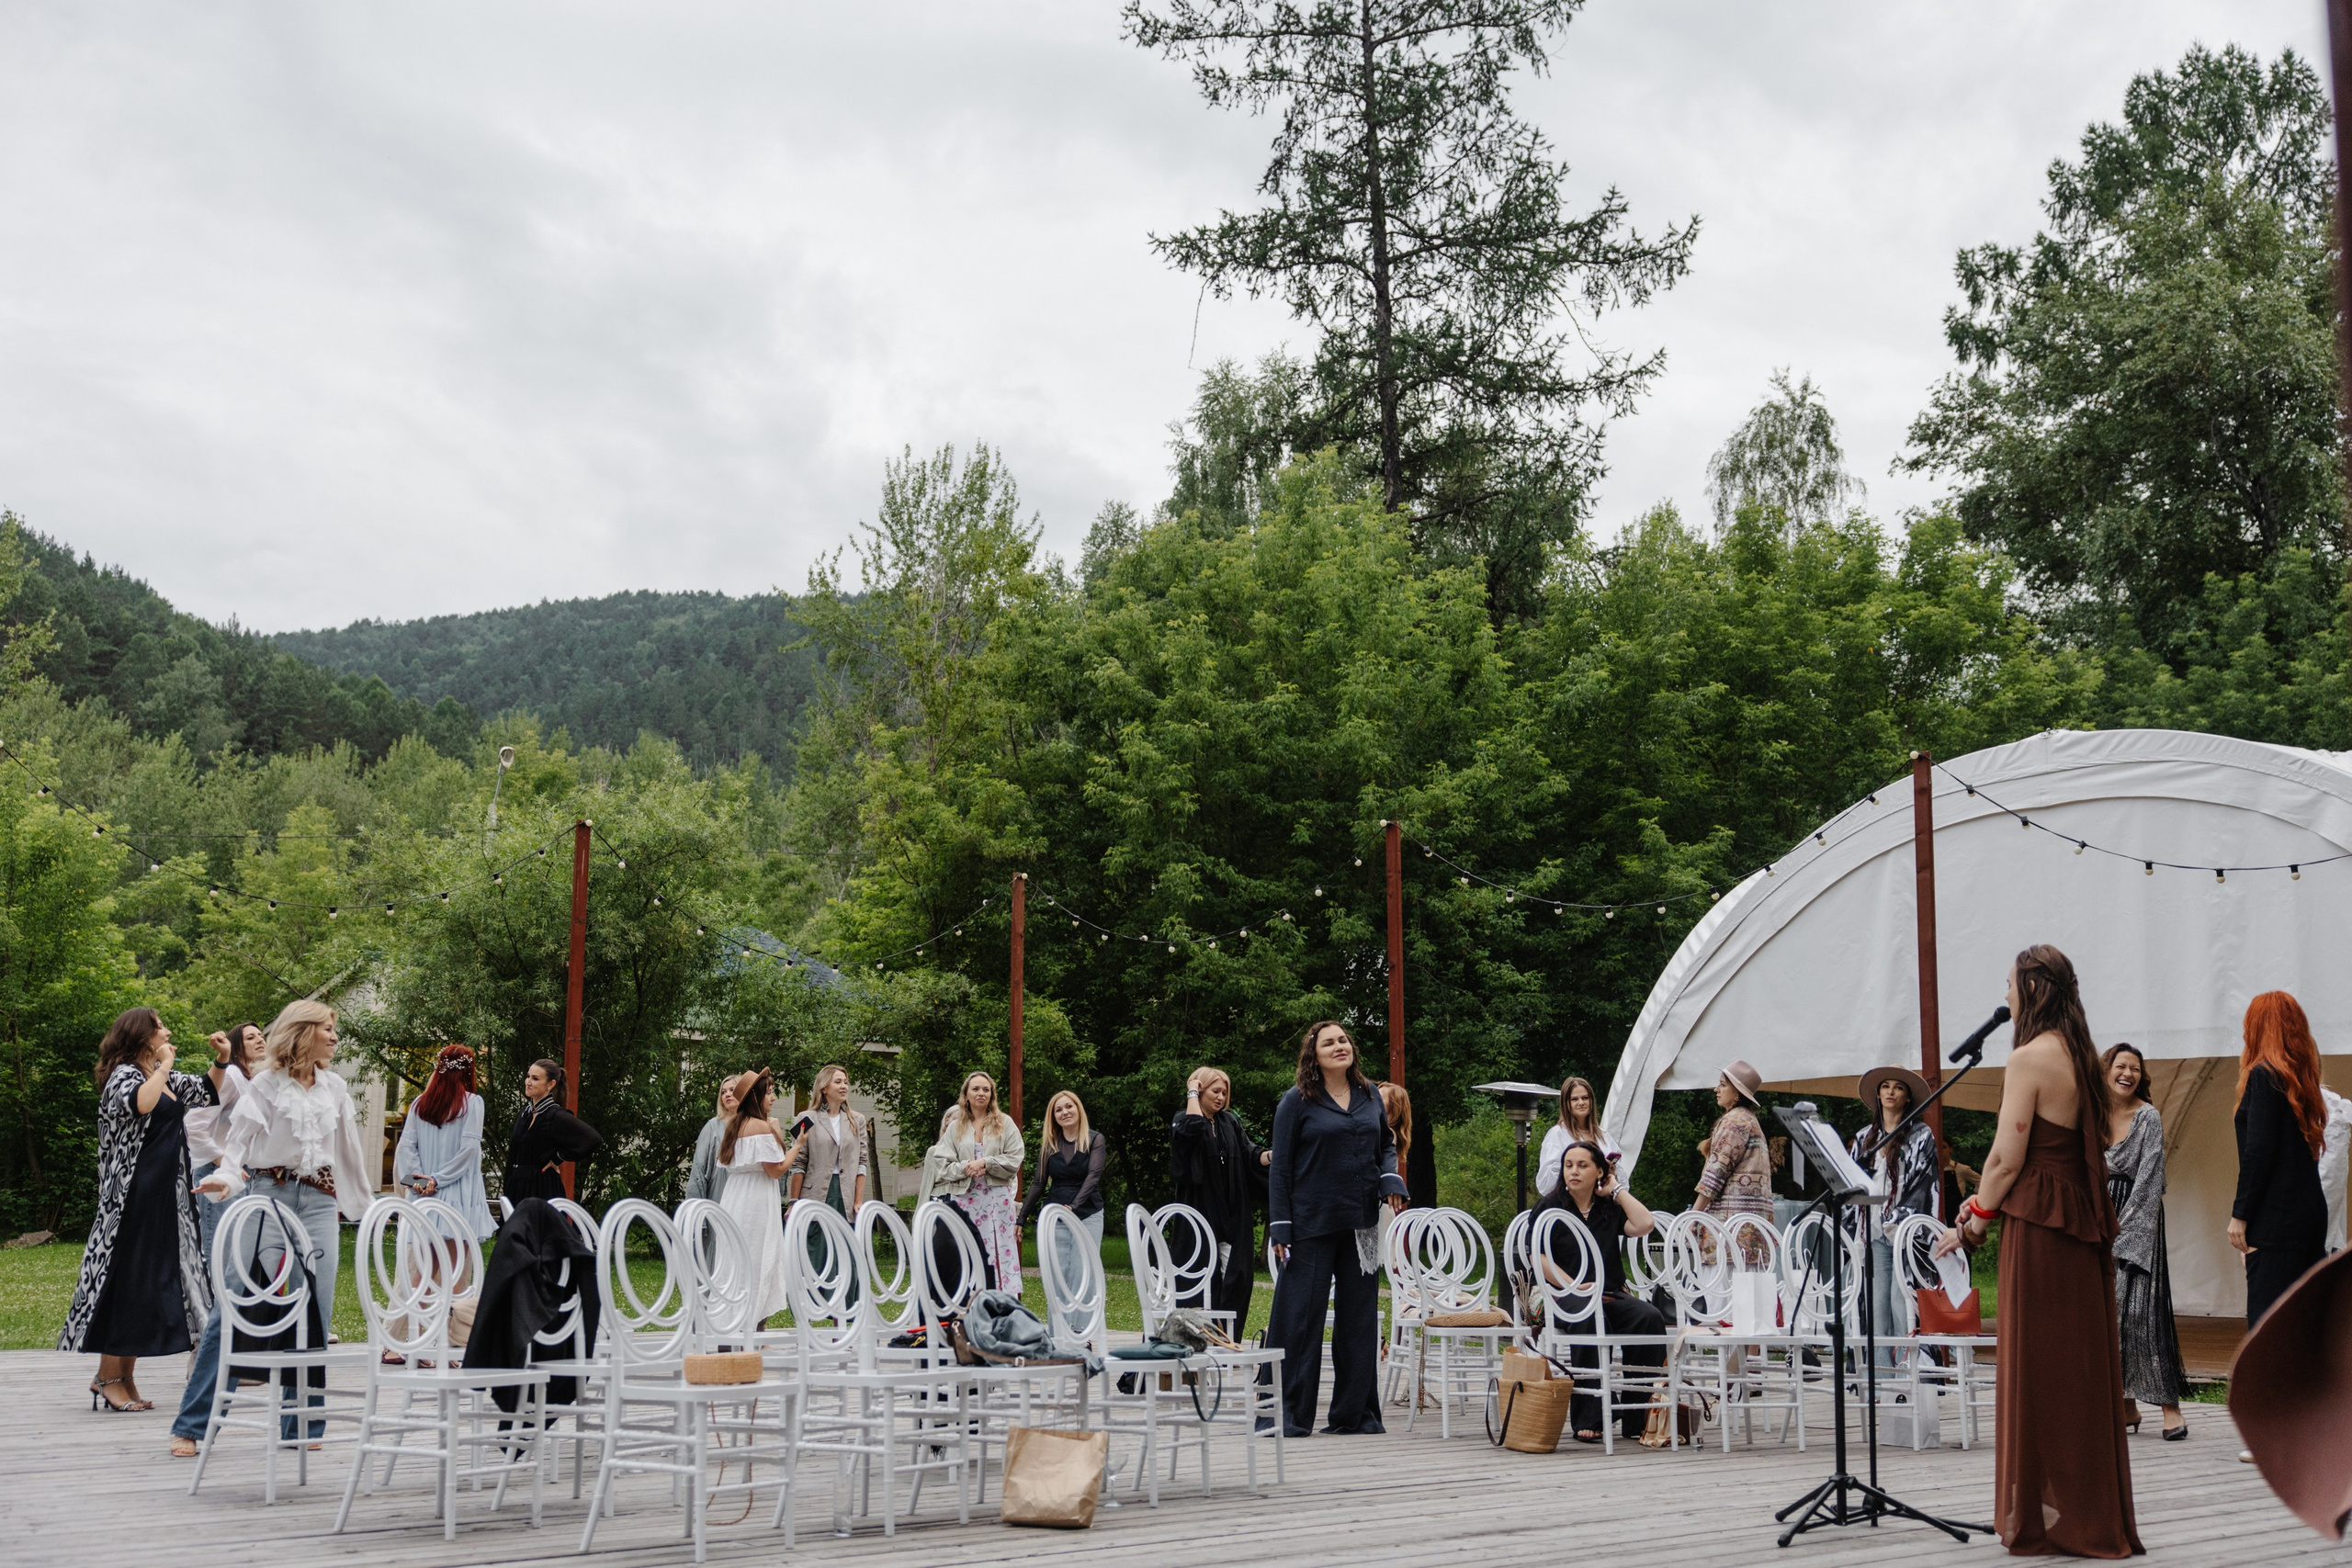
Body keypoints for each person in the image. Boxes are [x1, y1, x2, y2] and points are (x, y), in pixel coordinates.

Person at [1935, 945, 2141, 1558]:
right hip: (2079, 1225)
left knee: (2034, 1368)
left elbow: (2003, 1159)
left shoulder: (2029, 1058)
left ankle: (2038, 1518)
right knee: (2076, 1372)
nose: (2005, 998)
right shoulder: (2081, 1055)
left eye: (2009, 986)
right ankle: (2081, 1514)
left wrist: (1972, 1221)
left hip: (2040, 1229)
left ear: (2031, 988)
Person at [188, 999, 380, 1447]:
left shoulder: (334, 1088)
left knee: (316, 1311)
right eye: (328, 1029)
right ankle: (194, 1425)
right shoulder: (265, 1087)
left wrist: (369, 1209)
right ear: (302, 1031)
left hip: (319, 1202)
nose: (335, 1037)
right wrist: (224, 1180)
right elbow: (237, 1149)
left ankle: (303, 1424)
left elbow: (350, 1158)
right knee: (234, 1305)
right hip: (267, 1197)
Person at [59, 1009, 228, 1416]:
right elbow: (140, 1105)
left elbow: (205, 1091)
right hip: (131, 1200)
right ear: (142, 1035)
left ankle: (122, 1378)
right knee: (129, 1286)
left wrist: (222, 1061)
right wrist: (165, 1066)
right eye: (161, 1027)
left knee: (146, 1288)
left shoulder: (161, 1077)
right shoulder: (125, 1076)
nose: (168, 1031)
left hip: (163, 1199)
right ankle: (108, 1377)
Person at [1267, 1021, 1407, 1438]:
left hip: (1360, 1222)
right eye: (1328, 1042)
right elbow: (1282, 1168)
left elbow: (1385, 1144)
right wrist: (1280, 1227)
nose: (1338, 1046)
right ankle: (1287, 1416)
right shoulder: (1296, 1101)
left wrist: (1389, 1177)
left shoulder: (1368, 1095)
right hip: (1309, 1223)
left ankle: (1354, 1416)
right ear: (1314, 1054)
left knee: (1359, 1320)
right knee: (1300, 1319)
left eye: (1343, 1040)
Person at [1534, 1140, 1665, 1442]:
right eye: (1568, 1165)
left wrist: (1616, 1190)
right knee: (1590, 1315)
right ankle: (1590, 1416)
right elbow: (1537, 1258)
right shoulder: (1550, 1207)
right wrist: (1573, 1285)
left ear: (1599, 1172)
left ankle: (1637, 1416)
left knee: (1649, 1318)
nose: (1574, 1172)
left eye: (1582, 1165)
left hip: (1608, 1293)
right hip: (1565, 1294)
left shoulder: (1608, 1207)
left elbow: (1645, 1223)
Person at [2101, 1044, 2188, 1439]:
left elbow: (2151, 1177)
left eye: (2135, 1069)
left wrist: (2127, 1232)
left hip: (2140, 1220)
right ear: (2105, 1071)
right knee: (2109, 1316)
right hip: (2099, 1218)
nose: (2127, 1073)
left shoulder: (2148, 1117)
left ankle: (2171, 1409)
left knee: (2143, 1316)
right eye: (2120, 1066)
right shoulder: (2093, 1115)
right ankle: (2126, 1407)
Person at [2230, 991, 2329, 1330]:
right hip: (2309, 1215)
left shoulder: (2262, 1075)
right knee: (2303, 1321)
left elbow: (2259, 1152)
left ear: (2258, 1027)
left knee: (2268, 1326)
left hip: (2274, 1220)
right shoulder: (2301, 1082)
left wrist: (2240, 1215)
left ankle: (2268, 1385)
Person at [1170, 1066, 1272, 1336]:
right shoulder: (1183, 1119)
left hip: (1232, 1213)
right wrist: (1191, 1090)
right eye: (1215, 1091)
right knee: (1198, 1278)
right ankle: (1193, 1339)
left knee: (1237, 1276)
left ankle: (1226, 1338)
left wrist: (1274, 1156)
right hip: (1199, 1212)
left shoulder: (1229, 1123)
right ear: (1200, 1090)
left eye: (1224, 1093)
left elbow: (1251, 1155)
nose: (1221, 1097)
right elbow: (1192, 1129)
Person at [1849, 1064, 1937, 1366]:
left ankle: (1911, 1381)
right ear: (1878, 1094)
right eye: (1885, 1086)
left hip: (1904, 1237)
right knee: (1875, 1309)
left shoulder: (1921, 1136)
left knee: (1904, 1307)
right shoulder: (1863, 1139)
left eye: (1898, 1087)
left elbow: (1925, 1185)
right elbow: (1851, 1188)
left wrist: (1897, 1217)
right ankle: (1882, 1384)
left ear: (1908, 1097)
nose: (1890, 1091)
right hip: (1872, 1233)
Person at [922, 1071, 1024, 1295]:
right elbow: (940, 1162)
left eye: (986, 1090)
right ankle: (967, 1301)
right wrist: (964, 1167)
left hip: (998, 1201)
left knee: (1000, 1253)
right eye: (976, 1089)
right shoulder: (955, 1128)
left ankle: (1003, 1301)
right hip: (966, 1200)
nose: (981, 1093)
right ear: (966, 1094)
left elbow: (1015, 1158)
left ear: (992, 1095)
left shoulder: (1005, 1124)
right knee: (967, 1249)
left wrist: (986, 1163)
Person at [715, 1069, 797, 1325]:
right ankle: (753, 1328)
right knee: (759, 1260)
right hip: (757, 1201)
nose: (772, 1098)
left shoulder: (733, 1125)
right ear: (757, 1096)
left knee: (734, 1263)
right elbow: (776, 1169)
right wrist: (799, 1144)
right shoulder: (761, 1126)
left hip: (734, 1198)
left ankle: (728, 1327)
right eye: (769, 1093)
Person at [394, 1044, 496, 1242]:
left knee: (429, 1263)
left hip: (424, 1193)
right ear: (468, 1070)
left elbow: (405, 1147)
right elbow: (469, 1150)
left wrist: (420, 1182)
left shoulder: (419, 1103)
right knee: (454, 1264)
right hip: (457, 1192)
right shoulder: (473, 1103)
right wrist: (436, 1180)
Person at [183, 1023, 259, 1264]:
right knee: (221, 1252)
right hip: (217, 1171)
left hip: (245, 1173)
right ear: (237, 1046)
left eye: (261, 1035)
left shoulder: (255, 1082)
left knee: (240, 1256)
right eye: (250, 1037)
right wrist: (225, 1163)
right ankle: (212, 1302)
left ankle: (232, 1303)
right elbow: (192, 1124)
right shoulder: (231, 1078)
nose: (260, 1040)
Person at [1693, 1059, 1775, 1263]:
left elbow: (1715, 1173)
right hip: (1750, 1231)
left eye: (1722, 1084)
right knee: (1747, 1291)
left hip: (1729, 1231)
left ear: (1737, 1092)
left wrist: (1693, 1215)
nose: (1716, 1089)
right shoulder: (1751, 1120)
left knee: (1723, 1292)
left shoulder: (1735, 1121)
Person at [502, 1058, 602, 1203]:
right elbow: (513, 1155)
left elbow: (592, 1138)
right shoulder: (524, 1114)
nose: (528, 1082)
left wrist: (557, 1158)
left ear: (551, 1084)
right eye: (528, 1076)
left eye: (535, 1078)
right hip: (517, 1187)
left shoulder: (556, 1115)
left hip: (541, 1189)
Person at [1020, 1089, 1107, 1246]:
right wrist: (1021, 1218)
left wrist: (1073, 1206)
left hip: (1089, 1213)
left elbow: (1093, 1176)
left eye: (1069, 1107)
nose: (1064, 1112)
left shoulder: (1095, 1139)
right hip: (1056, 1214)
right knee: (1058, 1268)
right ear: (1053, 1117)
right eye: (1058, 1110)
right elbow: (1038, 1183)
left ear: (1078, 1109)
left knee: (1083, 1268)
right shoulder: (1049, 1144)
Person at [789, 1063, 868, 1218]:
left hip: (846, 1196)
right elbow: (798, 1163)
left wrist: (858, 1201)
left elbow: (862, 1162)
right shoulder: (806, 1118)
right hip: (814, 1194)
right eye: (838, 1082)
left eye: (845, 1082)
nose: (844, 1086)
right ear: (824, 1088)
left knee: (842, 1241)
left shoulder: (858, 1120)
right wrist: (793, 1202)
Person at [1535, 1076, 1621, 1200]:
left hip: (1603, 1203)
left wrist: (1610, 1172)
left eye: (1585, 1098)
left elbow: (1621, 1182)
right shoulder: (1557, 1134)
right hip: (1570, 1205)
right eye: (1574, 1099)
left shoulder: (1603, 1135)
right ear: (1566, 1104)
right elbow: (1546, 1184)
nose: (1581, 1103)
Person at [684, 1076, 742, 1202]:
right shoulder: (713, 1126)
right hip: (719, 1194)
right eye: (723, 1092)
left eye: (732, 1089)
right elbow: (698, 1170)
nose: (727, 1094)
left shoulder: (754, 1125)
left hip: (746, 1195)